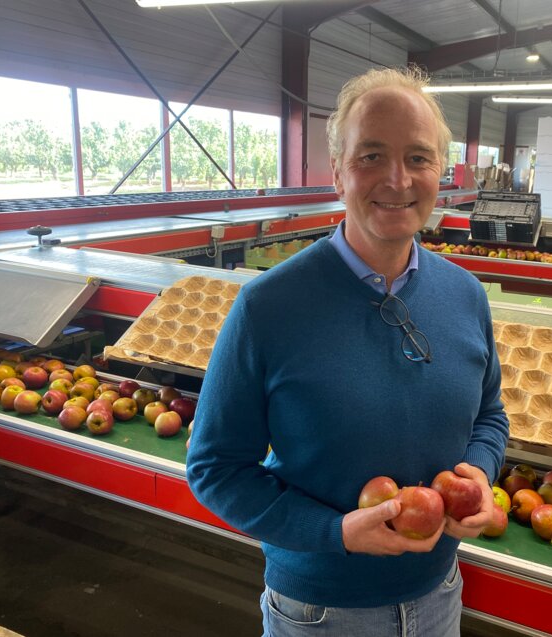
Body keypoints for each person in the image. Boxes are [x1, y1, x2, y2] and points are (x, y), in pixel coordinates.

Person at [186, 66, 509, 637]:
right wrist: (333, 533)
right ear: (337, 172)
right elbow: (216, 469)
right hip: (318, 612)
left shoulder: (465, 295)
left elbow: (489, 416)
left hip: (439, 596)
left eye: (418, 158)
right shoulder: (269, 307)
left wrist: (478, 475)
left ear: (441, 172)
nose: (398, 179)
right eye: (370, 157)